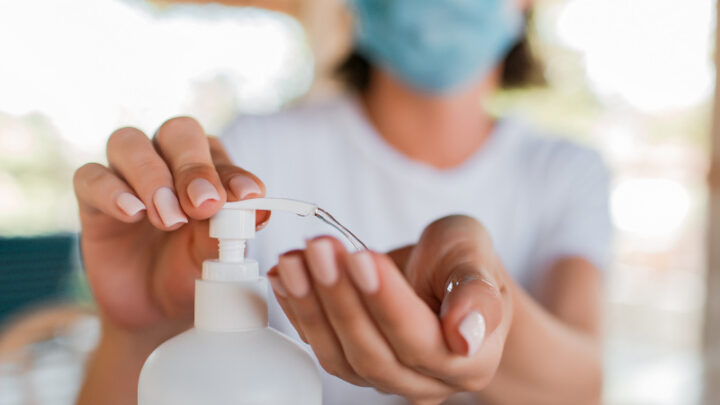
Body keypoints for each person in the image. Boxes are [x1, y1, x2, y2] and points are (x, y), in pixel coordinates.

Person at [73, 0, 610, 403]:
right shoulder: (253, 156)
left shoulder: (565, 171)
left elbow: (584, 385)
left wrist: (480, 300)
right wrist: (136, 329)